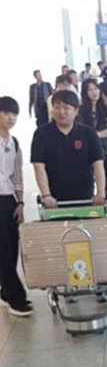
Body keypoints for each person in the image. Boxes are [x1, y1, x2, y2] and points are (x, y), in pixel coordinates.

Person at [31, 89, 105, 208]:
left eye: (66, 108)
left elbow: (98, 164)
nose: (61, 112)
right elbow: (38, 166)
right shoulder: (41, 134)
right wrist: (46, 195)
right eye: (57, 107)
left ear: (76, 110)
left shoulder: (88, 133)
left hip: (85, 196)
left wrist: (100, 192)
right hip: (54, 199)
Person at [0, 97, 32, 317]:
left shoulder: (15, 144)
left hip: (9, 200)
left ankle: (5, 291)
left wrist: (20, 202)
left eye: (14, 114)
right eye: (5, 113)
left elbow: (18, 175)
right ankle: (16, 297)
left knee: (12, 246)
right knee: (3, 250)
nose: (11, 118)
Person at [80, 78, 107, 200]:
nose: (94, 92)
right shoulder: (81, 112)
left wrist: (97, 134)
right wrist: (98, 134)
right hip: (90, 147)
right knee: (95, 171)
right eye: (90, 90)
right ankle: (100, 193)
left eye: (96, 89)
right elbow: (81, 131)